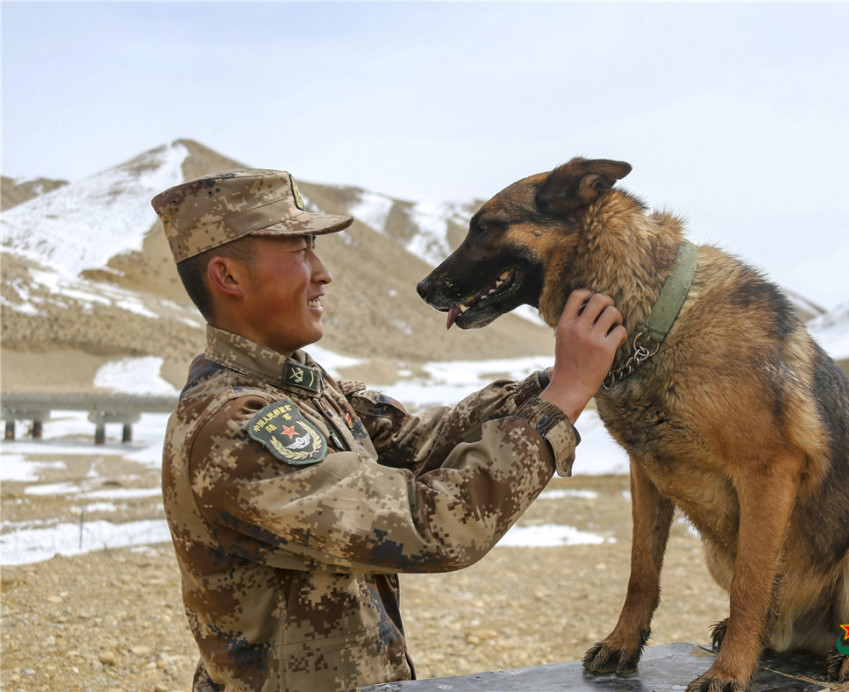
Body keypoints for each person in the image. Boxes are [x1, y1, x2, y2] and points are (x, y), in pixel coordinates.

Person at [151, 168, 626, 692]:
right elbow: (437, 522)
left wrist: (552, 381)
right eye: (299, 251)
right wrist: (560, 403)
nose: (323, 272)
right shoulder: (235, 428)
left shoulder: (299, 389)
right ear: (229, 277)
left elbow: (425, 444)